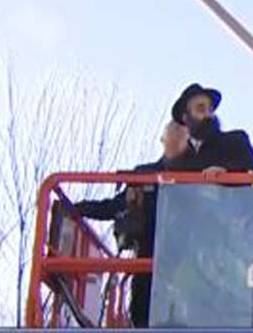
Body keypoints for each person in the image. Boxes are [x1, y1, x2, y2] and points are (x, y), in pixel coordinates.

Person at [72, 120, 189, 328]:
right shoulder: (144, 175)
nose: (179, 140)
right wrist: (78, 208)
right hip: (147, 259)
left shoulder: (197, 175)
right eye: (174, 134)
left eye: (183, 135)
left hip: (186, 260)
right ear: (164, 140)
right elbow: (114, 206)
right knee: (141, 314)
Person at [167, 83, 253, 177]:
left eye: (210, 109)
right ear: (185, 117)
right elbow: (160, 173)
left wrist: (225, 171)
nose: (208, 115)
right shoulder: (177, 153)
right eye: (201, 109)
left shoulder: (236, 140)